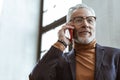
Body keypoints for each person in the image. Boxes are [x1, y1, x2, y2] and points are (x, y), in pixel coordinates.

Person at [29, 3, 120, 80]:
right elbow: (36, 77)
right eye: (79, 20)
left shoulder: (115, 55)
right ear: (69, 27)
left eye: (90, 20)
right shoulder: (60, 61)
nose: (85, 24)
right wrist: (61, 43)